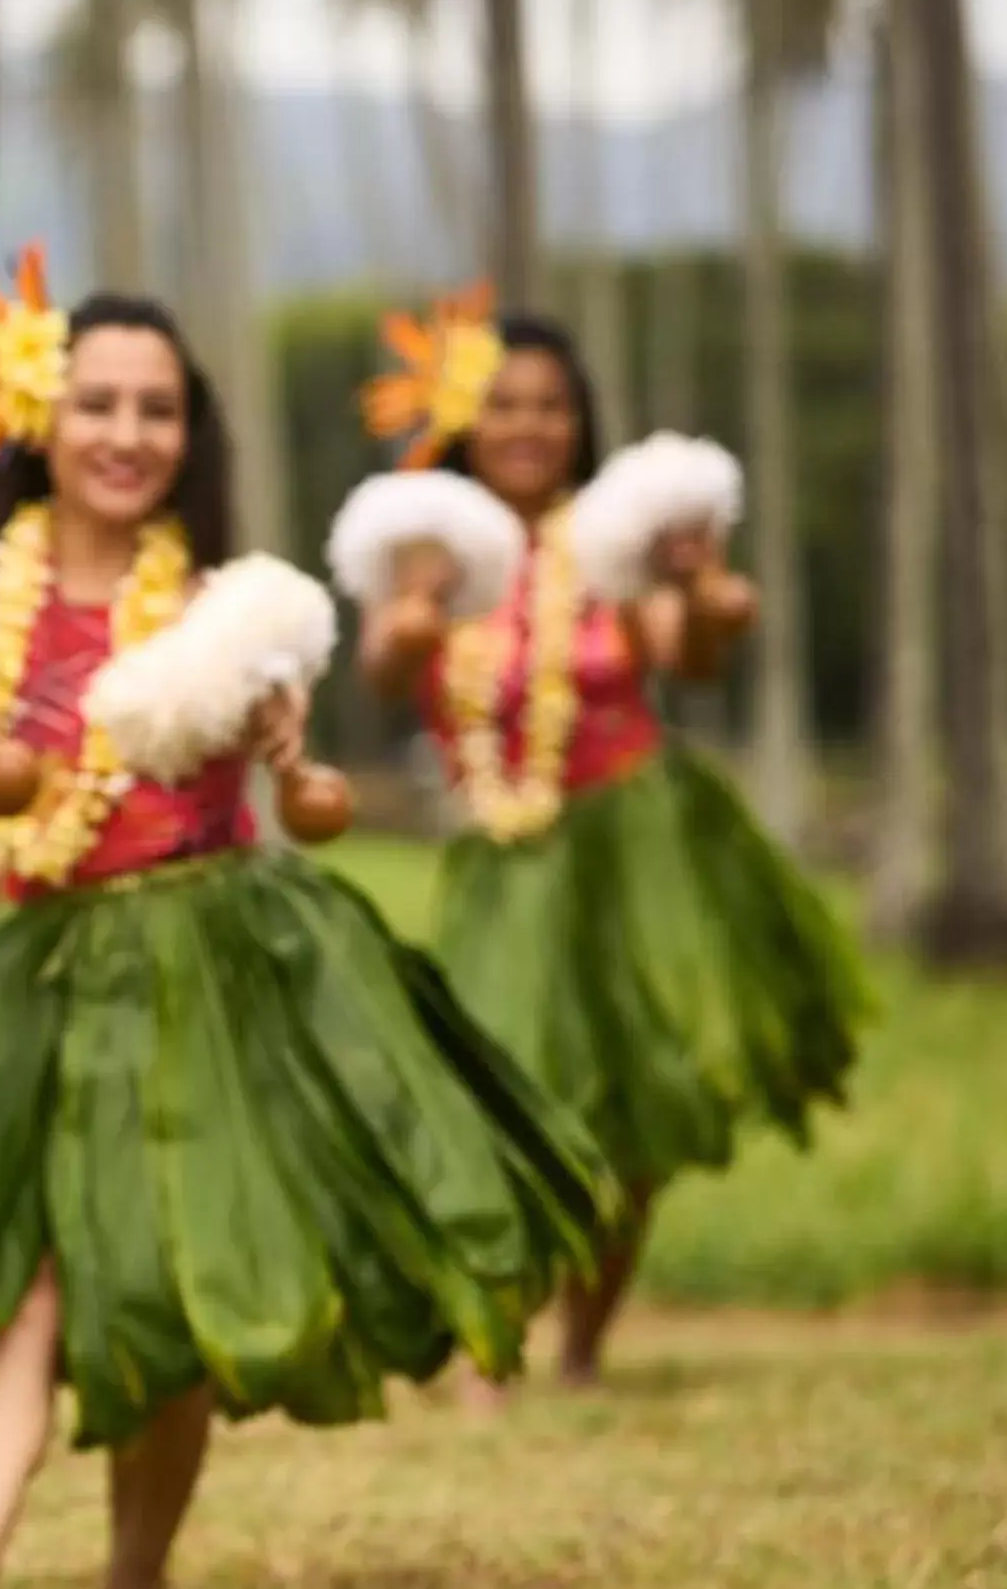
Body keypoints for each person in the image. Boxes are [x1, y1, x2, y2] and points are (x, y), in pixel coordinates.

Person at [0, 249, 616, 1589]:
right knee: (14, 1285)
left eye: (157, 409)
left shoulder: (237, 609)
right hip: (41, 977)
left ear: (188, 432)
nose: (128, 435)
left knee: (169, 1285)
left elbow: (312, 804)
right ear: (40, 418)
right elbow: (2, 795)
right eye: (98, 404)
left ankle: (135, 1583)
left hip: (215, 964)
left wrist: (292, 755)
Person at [341, 289, 874, 1391]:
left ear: (579, 420)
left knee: (631, 1119)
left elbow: (696, 649)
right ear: (465, 420)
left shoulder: (616, 543)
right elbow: (388, 674)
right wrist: (409, 619)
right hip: (502, 859)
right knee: (496, 1105)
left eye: (552, 405)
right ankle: (497, 1346)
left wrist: (706, 589)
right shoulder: (426, 545)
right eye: (505, 406)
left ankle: (582, 1345)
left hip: (637, 850)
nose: (530, 426)